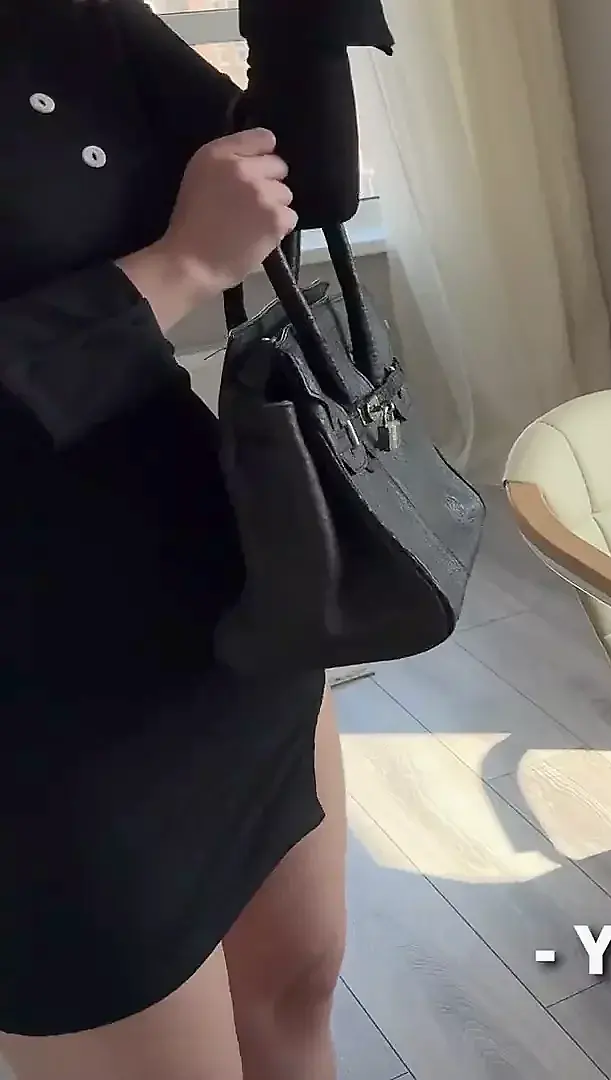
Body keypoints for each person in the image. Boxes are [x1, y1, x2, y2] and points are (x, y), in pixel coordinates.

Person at [0, 2, 348, 1078]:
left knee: (295, 999)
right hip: (38, 721)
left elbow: (299, 183)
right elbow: (207, 244)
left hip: (224, 604)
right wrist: (181, 267)